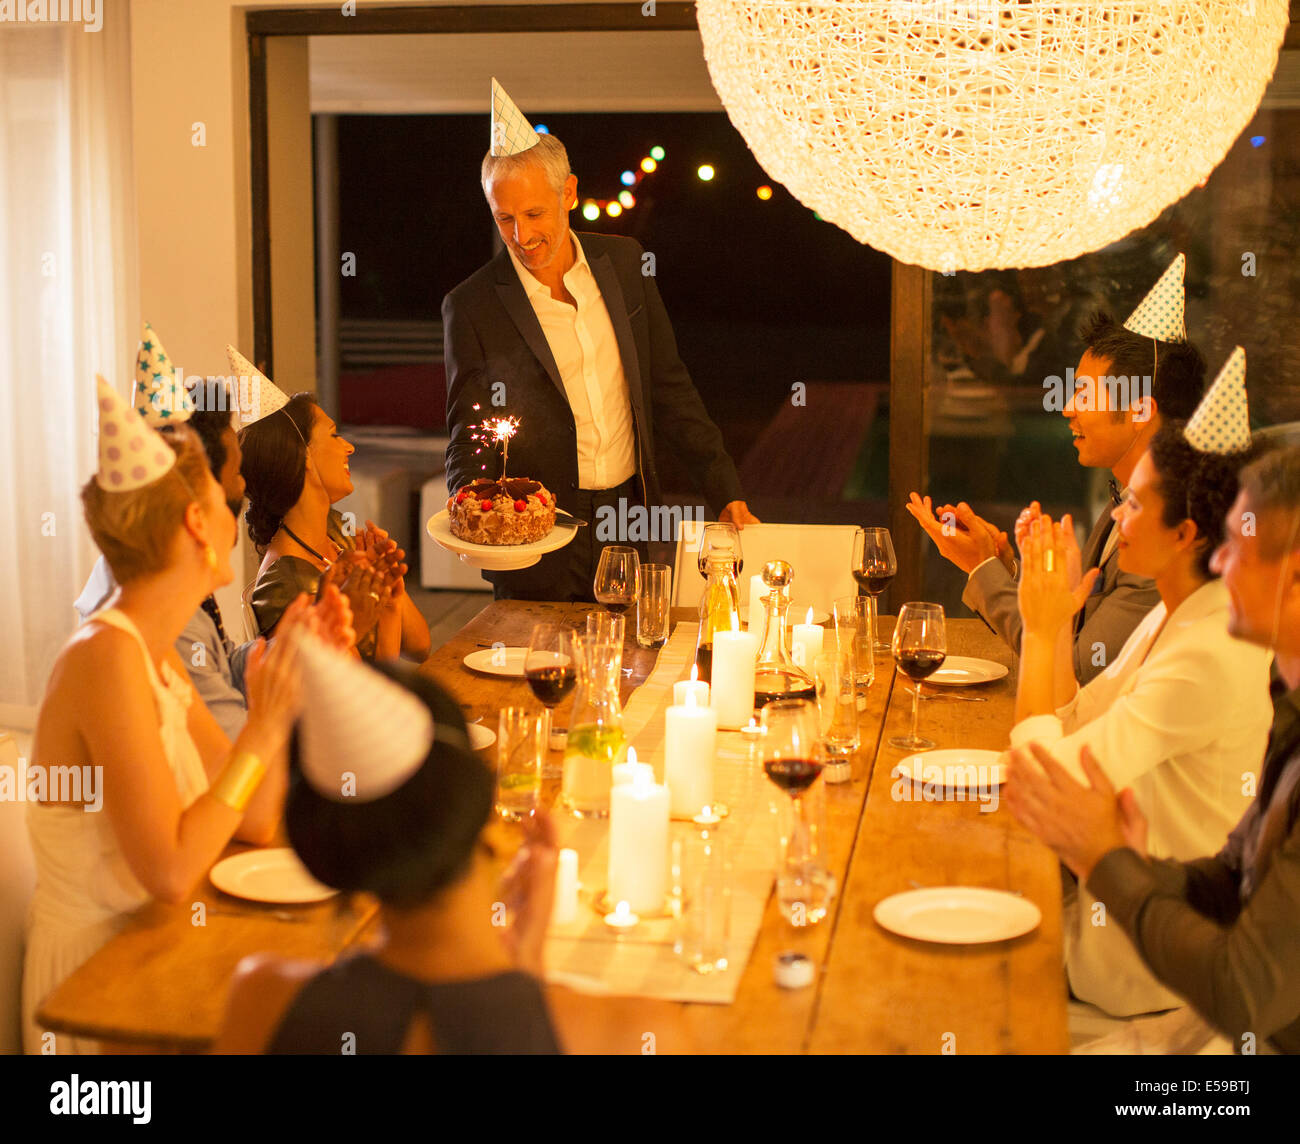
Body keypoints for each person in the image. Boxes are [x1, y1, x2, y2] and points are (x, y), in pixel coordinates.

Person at [215, 641, 689, 1054]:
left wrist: (521, 970)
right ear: (475, 799)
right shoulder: (635, 1034)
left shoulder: (261, 1002)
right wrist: (526, 974)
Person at [23, 382, 310, 1053]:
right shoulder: (105, 658)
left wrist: (275, 702)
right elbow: (172, 871)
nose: (233, 505)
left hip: (159, 948)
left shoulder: (155, 656)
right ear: (193, 524)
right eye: (219, 494)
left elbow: (256, 819)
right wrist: (263, 733)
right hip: (97, 990)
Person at [1007, 439, 1300, 1054]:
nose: (1222, 565)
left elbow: (1243, 990)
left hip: (1174, 996)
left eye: (1242, 551)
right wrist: (1128, 866)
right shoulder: (1204, 634)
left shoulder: (1216, 647)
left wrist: (1109, 864)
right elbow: (1232, 878)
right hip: (1166, 972)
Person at [442, 81, 757, 601]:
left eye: (534, 214)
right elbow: (468, 429)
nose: (521, 236)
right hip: (533, 535)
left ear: (568, 193)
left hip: (625, 516)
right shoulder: (472, 305)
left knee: (628, 661)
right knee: (534, 668)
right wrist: (469, 510)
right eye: (505, 219)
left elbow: (669, 388)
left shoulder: (627, 265)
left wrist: (723, 490)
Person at [908, 263, 1207, 684]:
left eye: (1084, 393)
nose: (1068, 408)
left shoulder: (1163, 530)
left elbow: (1078, 667)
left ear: (1141, 410)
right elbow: (1075, 623)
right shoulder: (1126, 499)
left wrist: (982, 570)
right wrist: (1004, 568)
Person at [237, 383, 430, 663]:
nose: (349, 447)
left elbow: (419, 646)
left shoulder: (337, 530)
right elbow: (348, 693)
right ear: (302, 454)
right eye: (334, 435)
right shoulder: (284, 581)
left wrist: (389, 593)